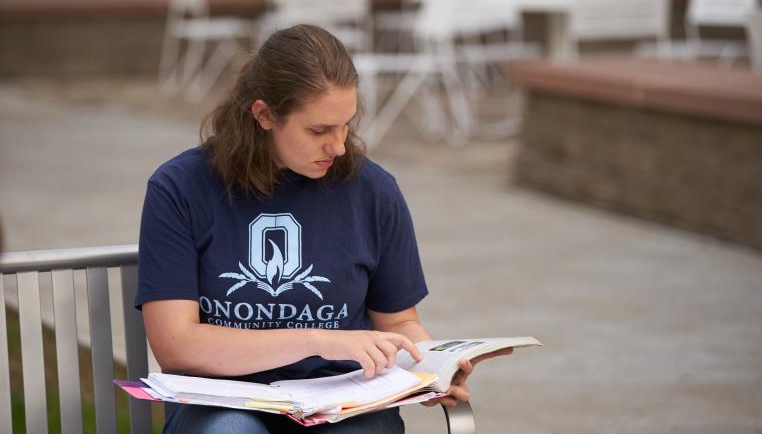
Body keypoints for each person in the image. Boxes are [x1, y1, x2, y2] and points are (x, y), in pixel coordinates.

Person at [136, 24, 505, 434]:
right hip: (224, 400)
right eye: (319, 130)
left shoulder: (373, 192)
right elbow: (176, 346)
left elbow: (399, 323)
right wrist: (318, 339)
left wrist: (433, 367)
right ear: (263, 115)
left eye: (346, 124)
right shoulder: (181, 188)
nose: (340, 146)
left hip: (344, 400)